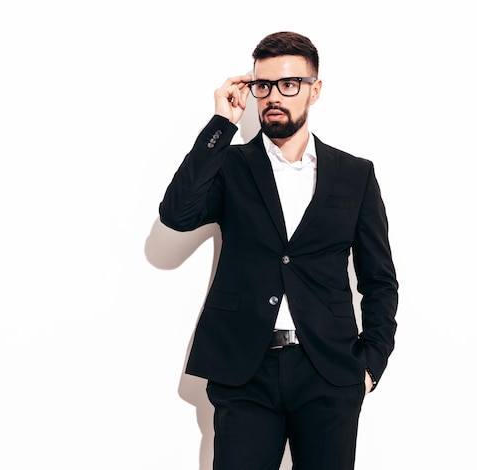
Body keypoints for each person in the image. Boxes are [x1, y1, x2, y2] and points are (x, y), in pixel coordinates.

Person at [158, 31, 398, 470]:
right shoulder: (230, 165)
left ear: (315, 89)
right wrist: (221, 124)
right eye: (262, 85)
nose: (273, 96)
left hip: (328, 371)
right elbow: (177, 214)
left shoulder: (355, 174)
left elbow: (379, 279)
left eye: (288, 85)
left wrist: (371, 364)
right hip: (245, 371)